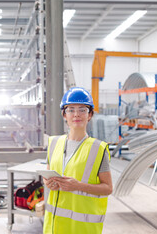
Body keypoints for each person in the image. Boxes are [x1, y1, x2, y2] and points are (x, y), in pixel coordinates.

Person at [43, 87, 113, 234]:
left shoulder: (98, 149)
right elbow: (48, 175)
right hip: (54, 226)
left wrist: (78, 186)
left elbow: (108, 188)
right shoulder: (53, 143)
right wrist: (48, 182)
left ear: (90, 115)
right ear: (64, 114)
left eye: (82, 109)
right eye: (71, 109)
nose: (76, 114)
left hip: (83, 228)